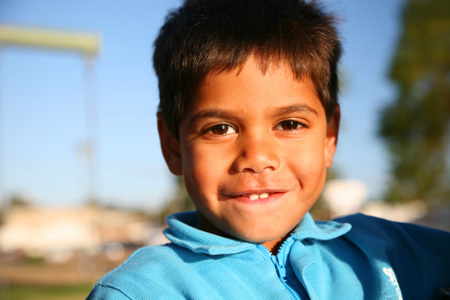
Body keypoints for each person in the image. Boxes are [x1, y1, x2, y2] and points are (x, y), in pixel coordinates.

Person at [87, 0, 450, 299]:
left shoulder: (388, 251)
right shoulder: (141, 292)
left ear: (329, 137)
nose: (258, 157)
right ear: (173, 146)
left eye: (290, 124)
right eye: (220, 128)